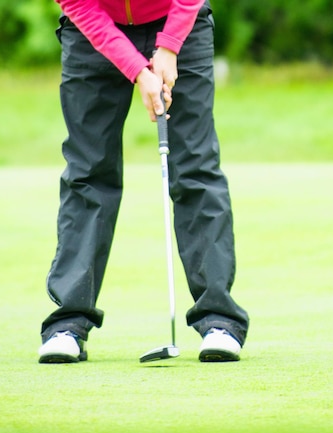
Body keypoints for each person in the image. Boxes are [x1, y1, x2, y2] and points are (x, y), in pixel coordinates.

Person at [38, 0, 249, 364]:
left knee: (196, 169)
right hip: (93, 29)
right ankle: (68, 323)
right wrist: (138, 69)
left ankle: (220, 321)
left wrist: (169, 46)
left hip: (179, 19)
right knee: (88, 172)